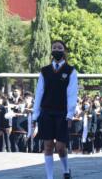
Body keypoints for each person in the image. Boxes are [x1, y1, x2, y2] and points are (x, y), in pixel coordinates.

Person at [32, 40, 78, 179]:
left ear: (64, 51)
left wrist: (70, 114)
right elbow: (39, 92)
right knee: (47, 146)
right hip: (46, 111)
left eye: (60, 47)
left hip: (62, 113)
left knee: (60, 147)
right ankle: (50, 176)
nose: (57, 50)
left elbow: (72, 93)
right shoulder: (44, 71)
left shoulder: (71, 71)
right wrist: (35, 115)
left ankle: (65, 170)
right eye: (54, 48)